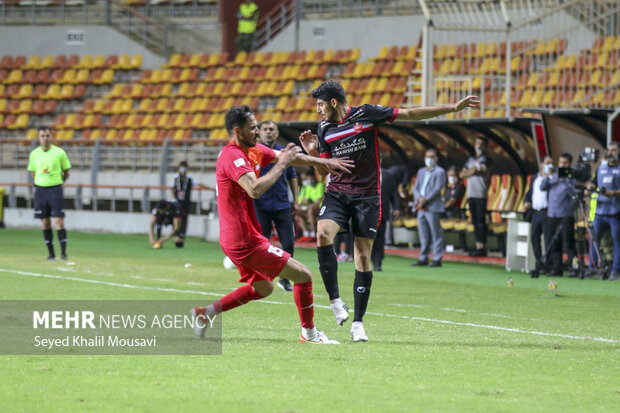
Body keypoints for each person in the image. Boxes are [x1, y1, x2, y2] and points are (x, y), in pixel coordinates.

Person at [299, 79, 479, 342]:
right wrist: (313, 153)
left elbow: (410, 114)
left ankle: (358, 323)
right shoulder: (324, 128)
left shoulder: (366, 114)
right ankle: (336, 301)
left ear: (334, 102)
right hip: (338, 192)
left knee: (362, 257)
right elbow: (325, 170)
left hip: (367, 196)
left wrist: (452, 108)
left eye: (320, 104)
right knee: (323, 234)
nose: (318, 110)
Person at [191, 105, 354, 344]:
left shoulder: (253, 150)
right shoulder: (232, 156)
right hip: (243, 239)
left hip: (239, 236)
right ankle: (309, 334)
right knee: (303, 275)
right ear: (238, 131)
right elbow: (254, 189)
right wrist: (281, 165)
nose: (257, 131)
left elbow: (289, 158)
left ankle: (206, 314)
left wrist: (323, 162)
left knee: (264, 288)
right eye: (252, 128)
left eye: (257, 126)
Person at [253, 120, 299, 292]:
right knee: (262, 243)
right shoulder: (255, 151)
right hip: (260, 204)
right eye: (265, 129)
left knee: (288, 243)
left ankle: (285, 278)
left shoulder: (284, 152)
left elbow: (292, 177)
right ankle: (262, 278)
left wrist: (296, 200)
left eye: (272, 129)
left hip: (282, 204)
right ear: (260, 132)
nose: (268, 132)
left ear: (277, 133)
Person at [27, 126, 71, 260]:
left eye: (47, 136)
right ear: (38, 138)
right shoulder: (34, 154)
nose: (45, 138)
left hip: (55, 189)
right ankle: (51, 254)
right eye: (42, 136)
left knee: (59, 221)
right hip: (40, 191)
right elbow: (33, 172)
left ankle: (63, 254)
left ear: (51, 136)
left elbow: (66, 172)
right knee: (45, 222)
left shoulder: (59, 153)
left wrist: (57, 182)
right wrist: (39, 182)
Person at [541, 153, 577, 277]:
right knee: (554, 243)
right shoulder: (553, 176)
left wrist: (565, 180)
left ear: (570, 164)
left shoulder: (572, 178)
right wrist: (547, 176)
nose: (562, 165)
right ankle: (557, 268)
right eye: (561, 163)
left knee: (569, 243)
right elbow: (542, 187)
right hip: (552, 214)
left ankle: (574, 268)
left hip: (566, 215)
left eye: (565, 163)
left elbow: (573, 194)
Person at [412, 148, 447, 267]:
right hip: (420, 206)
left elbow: (438, 189)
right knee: (423, 234)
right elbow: (415, 188)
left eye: (432, 156)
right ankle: (423, 257)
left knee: (435, 233)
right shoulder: (421, 171)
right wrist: (419, 199)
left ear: (436, 158)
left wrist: (425, 199)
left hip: (432, 206)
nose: (429, 159)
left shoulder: (440, 172)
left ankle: (437, 258)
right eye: (427, 156)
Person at [591, 142, 620, 280]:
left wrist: (613, 193)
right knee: (594, 239)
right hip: (600, 211)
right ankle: (593, 269)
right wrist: (589, 187)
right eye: (609, 150)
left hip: (616, 212)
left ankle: (616, 271)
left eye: (613, 150)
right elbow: (593, 183)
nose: (610, 153)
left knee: (617, 241)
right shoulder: (601, 168)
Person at [371, 164, 408, 271]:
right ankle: (365, 260)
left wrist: (396, 208)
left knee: (380, 238)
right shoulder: (365, 174)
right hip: (367, 211)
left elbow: (394, 193)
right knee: (367, 238)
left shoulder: (388, 176)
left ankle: (377, 262)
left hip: (382, 211)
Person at [460, 137, 491, 257]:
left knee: (480, 221)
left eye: (481, 143)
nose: (479, 145)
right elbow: (462, 174)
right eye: (477, 142)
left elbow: (475, 171)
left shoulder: (486, 159)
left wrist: (470, 171)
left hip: (480, 193)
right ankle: (478, 245)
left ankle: (482, 246)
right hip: (471, 194)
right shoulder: (471, 159)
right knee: (474, 221)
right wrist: (471, 171)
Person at [523, 156, 554, 276]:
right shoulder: (535, 178)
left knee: (548, 239)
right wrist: (526, 201)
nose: (549, 166)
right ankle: (539, 261)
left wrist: (549, 176)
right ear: (541, 165)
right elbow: (530, 192)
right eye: (547, 163)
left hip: (547, 212)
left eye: (551, 163)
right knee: (534, 238)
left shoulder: (552, 178)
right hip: (535, 212)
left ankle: (548, 264)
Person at [171, 161, 208, 248]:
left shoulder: (190, 178)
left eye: (184, 167)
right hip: (177, 203)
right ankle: (176, 238)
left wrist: (210, 188)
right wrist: (174, 199)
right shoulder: (175, 178)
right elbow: (172, 188)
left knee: (184, 221)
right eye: (181, 167)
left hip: (185, 204)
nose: (183, 169)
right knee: (176, 221)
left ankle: (181, 239)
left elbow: (199, 184)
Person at [297, 169, 325, 242]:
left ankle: (314, 234)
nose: (308, 180)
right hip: (313, 210)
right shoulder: (308, 187)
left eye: (309, 178)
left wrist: (308, 206)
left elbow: (319, 201)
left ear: (313, 177)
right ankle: (306, 234)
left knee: (310, 209)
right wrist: (298, 206)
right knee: (298, 212)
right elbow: (305, 201)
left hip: (322, 209)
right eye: (307, 178)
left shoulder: (320, 185)